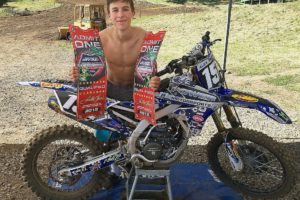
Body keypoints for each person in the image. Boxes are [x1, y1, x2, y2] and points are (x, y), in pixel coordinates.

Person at [70, 0, 161, 101]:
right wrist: (76, 73)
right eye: (115, 10)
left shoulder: (144, 37)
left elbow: (152, 70)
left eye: (125, 9)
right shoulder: (100, 39)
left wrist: (154, 81)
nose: (120, 15)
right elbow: (81, 66)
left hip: (135, 88)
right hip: (109, 88)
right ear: (109, 15)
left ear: (133, 12)